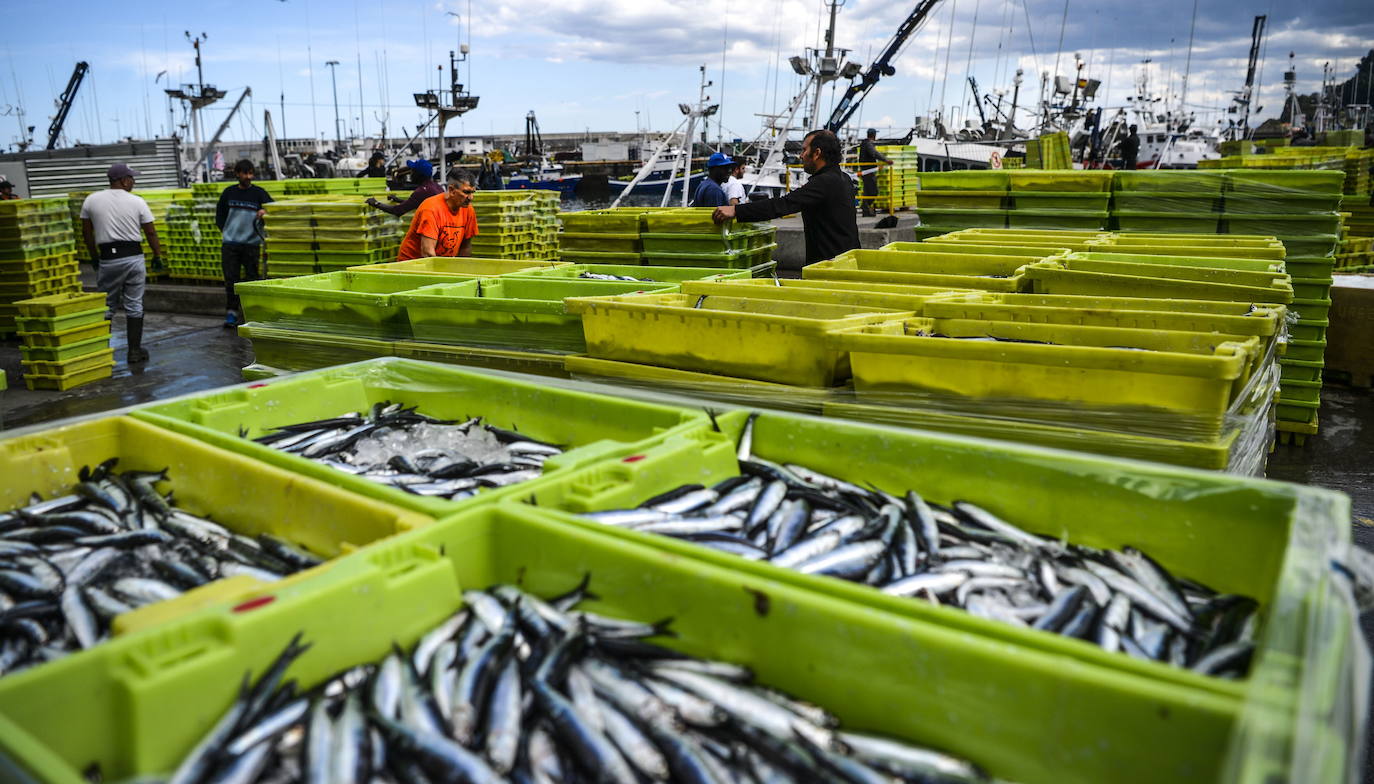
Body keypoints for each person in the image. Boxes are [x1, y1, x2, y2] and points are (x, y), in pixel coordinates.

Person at [712, 129, 859, 265]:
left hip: (830, 267)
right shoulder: (843, 178)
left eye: (804, 150)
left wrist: (736, 211)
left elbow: (784, 204)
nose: (801, 155)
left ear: (817, 153)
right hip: (846, 261)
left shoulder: (824, 182)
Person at [81, 163, 162, 364]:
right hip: (133, 257)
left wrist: (93, 256)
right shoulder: (137, 202)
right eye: (131, 178)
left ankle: (101, 352)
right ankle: (134, 351)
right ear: (124, 180)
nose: (133, 182)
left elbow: (86, 233)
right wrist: (157, 255)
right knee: (134, 304)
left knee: (107, 305)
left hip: (108, 258)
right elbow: (150, 231)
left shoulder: (91, 200)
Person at [215, 159, 274, 327]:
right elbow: (220, 216)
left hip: (251, 244)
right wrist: (228, 232)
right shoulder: (229, 193)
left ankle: (251, 312)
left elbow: (273, 209)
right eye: (245, 173)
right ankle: (232, 313)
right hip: (230, 244)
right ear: (237, 174)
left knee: (251, 279)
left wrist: (265, 211)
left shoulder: (259, 193)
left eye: (250, 173)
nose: (248, 177)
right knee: (231, 279)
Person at [396, 169, 479, 261]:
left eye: (473, 192)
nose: (471, 198)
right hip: (412, 264)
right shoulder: (431, 209)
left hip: (440, 263)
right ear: (451, 190)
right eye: (466, 192)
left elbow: (465, 247)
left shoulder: (468, 210)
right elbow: (427, 253)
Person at [366, 159, 442, 217]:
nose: (410, 174)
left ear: (418, 174)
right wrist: (397, 200)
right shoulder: (436, 187)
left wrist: (376, 203)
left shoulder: (422, 191)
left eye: (413, 171)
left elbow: (398, 211)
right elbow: (414, 203)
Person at [857, 128, 890, 217]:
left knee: (867, 191)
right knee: (873, 191)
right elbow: (874, 153)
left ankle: (866, 210)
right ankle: (866, 208)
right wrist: (886, 160)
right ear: (874, 135)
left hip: (866, 171)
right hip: (868, 171)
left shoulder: (864, 143)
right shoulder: (868, 144)